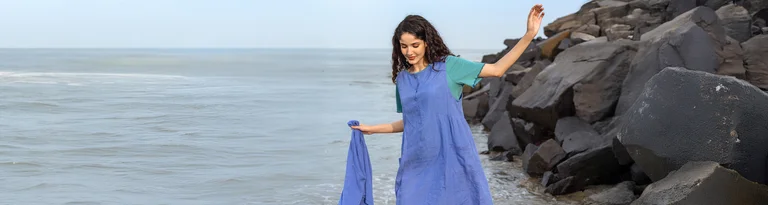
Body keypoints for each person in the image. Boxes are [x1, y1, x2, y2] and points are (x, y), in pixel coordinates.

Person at [351, 4, 545, 204]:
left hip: (452, 158)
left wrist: (529, 35)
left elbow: (497, 69)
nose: (409, 52)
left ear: (426, 43)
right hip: (416, 160)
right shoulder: (402, 80)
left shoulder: (449, 66)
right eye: (403, 46)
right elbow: (411, 121)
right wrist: (372, 129)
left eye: (415, 45)